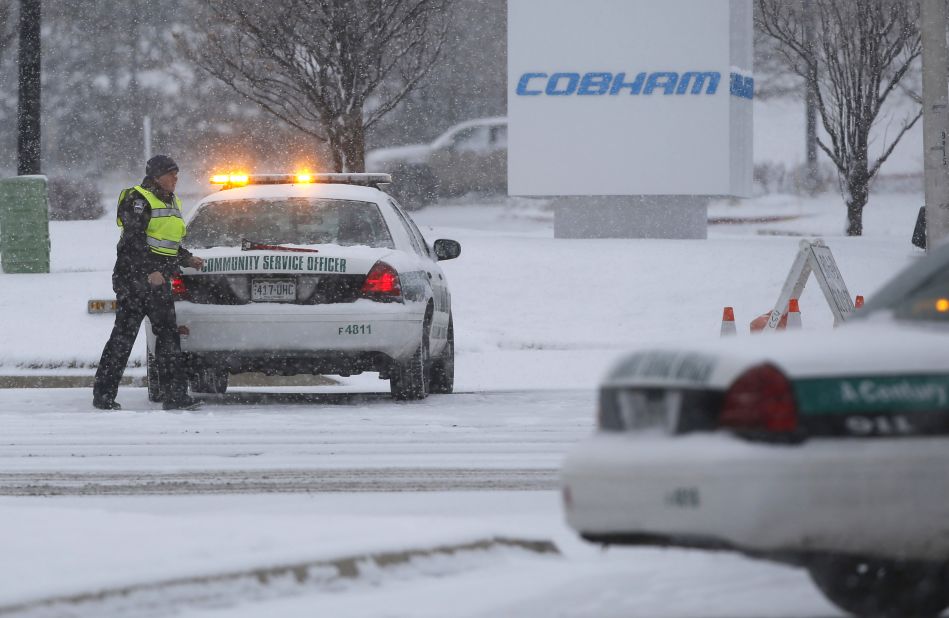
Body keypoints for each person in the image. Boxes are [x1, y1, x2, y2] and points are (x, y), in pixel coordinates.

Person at [92, 155, 204, 411]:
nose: (176, 179)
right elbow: (133, 240)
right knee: (124, 337)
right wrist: (150, 270)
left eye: (177, 174)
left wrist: (187, 258)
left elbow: (167, 243)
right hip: (135, 279)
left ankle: (175, 397)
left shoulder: (171, 201)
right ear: (156, 176)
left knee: (167, 337)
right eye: (171, 174)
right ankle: (104, 395)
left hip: (158, 281)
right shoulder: (138, 199)